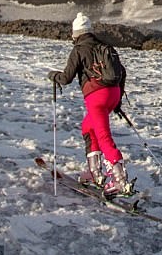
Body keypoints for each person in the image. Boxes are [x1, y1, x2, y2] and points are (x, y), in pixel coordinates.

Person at [47, 12, 132, 196]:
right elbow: (121, 71)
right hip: (113, 93)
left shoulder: (79, 50)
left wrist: (53, 76)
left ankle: (119, 180)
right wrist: (117, 101)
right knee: (88, 127)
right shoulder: (105, 47)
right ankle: (95, 174)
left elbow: (66, 78)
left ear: (76, 33)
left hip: (97, 97)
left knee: (103, 136)